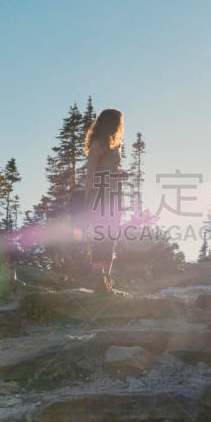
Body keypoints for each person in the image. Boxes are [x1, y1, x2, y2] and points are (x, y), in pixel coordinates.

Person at [84, 108, 126, 294]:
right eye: (119, 122)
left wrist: (120, 174)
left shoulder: (115, 145)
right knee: (102, 236)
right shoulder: (97, 144)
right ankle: (97, 278)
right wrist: (87, 199)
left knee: (112, 236)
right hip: (100, 195)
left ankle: (106, 279)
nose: (120, 126)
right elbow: (91, 174)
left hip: (116, 194)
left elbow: (111, 170)